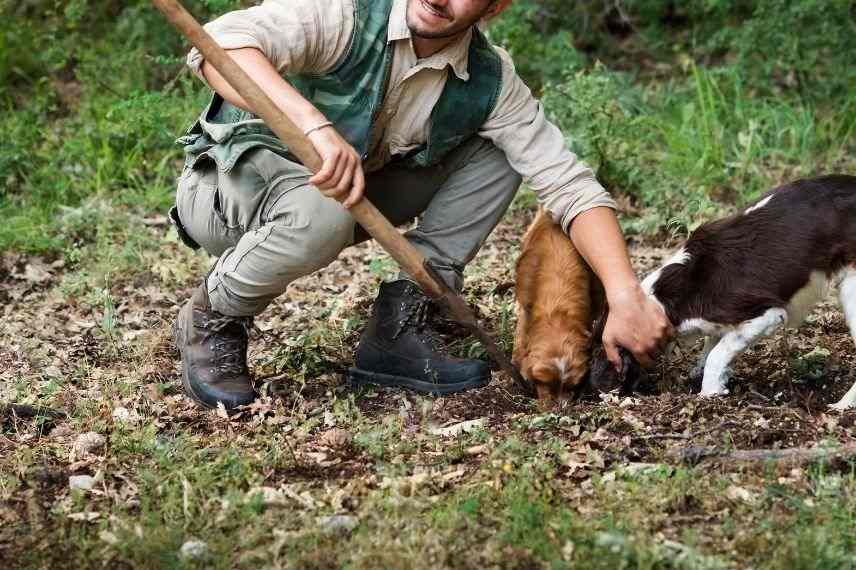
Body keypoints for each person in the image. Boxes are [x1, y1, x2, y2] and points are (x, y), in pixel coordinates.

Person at [170, 0, 672, 410]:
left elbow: (571, 187)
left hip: (346, 195)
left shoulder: (490, 80)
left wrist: (625, 293)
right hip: (229, 193)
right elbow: (219, 47)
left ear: (494, 8)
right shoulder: (344, 14)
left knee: (498, 148)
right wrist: (313, 126)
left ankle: (399, 326)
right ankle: (214, 315)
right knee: (321, 210)